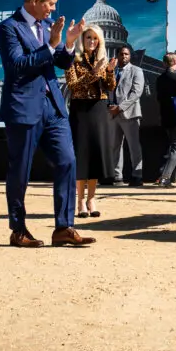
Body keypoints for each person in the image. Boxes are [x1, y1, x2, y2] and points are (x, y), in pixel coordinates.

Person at [0, 0, 95, 247]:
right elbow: (17, 65)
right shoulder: (8, 28)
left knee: (67, 162)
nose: (53, 10)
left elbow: (61, 62)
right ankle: (18, 230)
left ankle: (64, 227)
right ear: (36, 1)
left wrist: (69, 43)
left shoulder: (49, 25)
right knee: (20, 172)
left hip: (53, 109)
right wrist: (51, 45)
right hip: (23, 109)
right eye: (50, 4)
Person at [65, 25, 117, 217]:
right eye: (88, 38)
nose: (92, 42)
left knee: (95, 154)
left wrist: (110, 71)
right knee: (82, 155)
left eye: (95, 39)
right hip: (81, 110)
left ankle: (91, 199)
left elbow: (109, 87)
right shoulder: (73, 59)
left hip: (99, 110)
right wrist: (93, 72)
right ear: (82, 39)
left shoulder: (101, 59)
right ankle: (80, 201)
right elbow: (73, 85)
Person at [109, 46, 145, 187]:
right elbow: (107, 89)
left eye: (126, 54)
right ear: (117, 55)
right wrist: (111, 106)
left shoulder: (136, 71)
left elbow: (136, 92)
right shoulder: (112, 71)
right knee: (115, 146)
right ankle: (117, 176)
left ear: (130, 56)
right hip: (113, 115)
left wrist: (120, 107)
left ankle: (137, 175)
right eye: (121, 54)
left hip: (129, 114)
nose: (124, 56)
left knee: (134, 146)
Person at [154, 52, 176, 188]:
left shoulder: (160, 79)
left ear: (164, 63)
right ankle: (165, 177)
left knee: (174, 146)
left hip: (165, 116)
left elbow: (158, 98)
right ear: (175, 62)